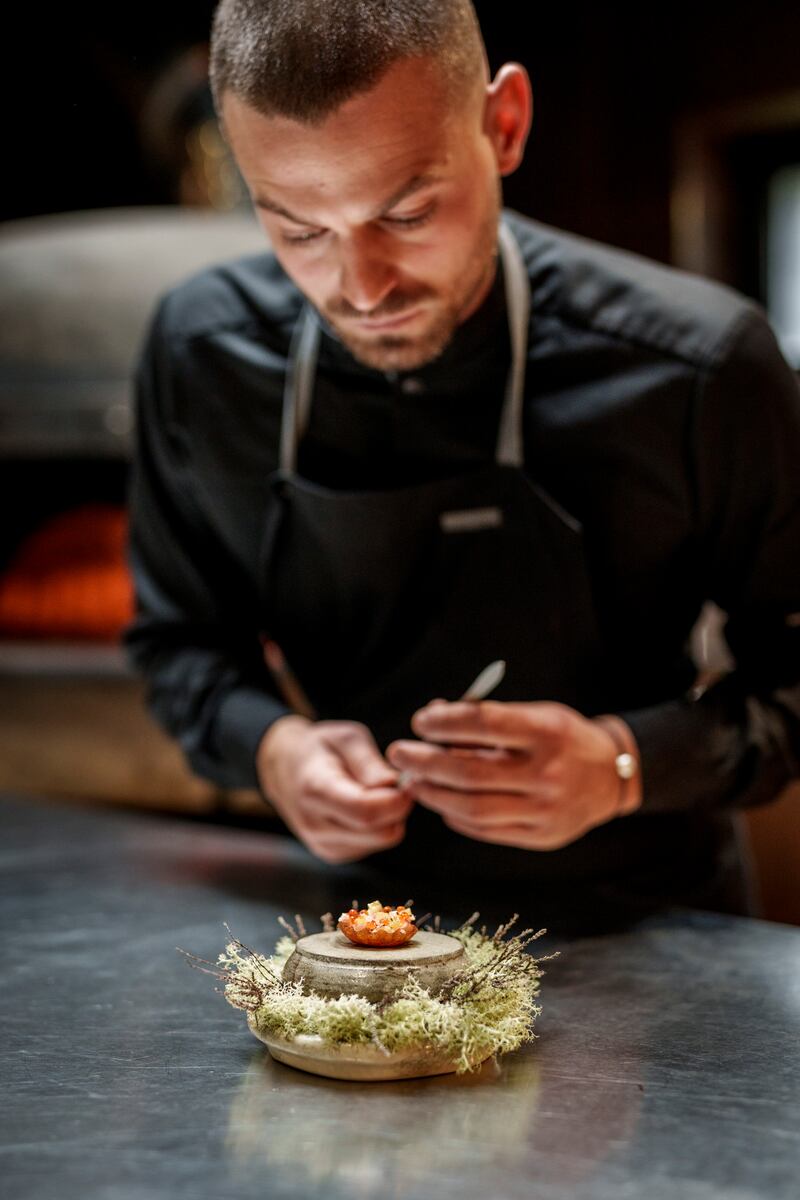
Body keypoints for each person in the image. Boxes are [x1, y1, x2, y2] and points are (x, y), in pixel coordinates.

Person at [124, 0, 800, 924]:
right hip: (342, 930)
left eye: (406, 213)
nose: (361, 291)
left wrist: (624, 765)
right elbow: (177, 643)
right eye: (297, 230)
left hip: (646, 927)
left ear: (505, 124)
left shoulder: (699, 366)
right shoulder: (201, 351)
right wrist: (272, 749)